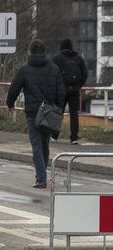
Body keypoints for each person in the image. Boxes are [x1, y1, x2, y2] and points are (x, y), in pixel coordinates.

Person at [6, 39, 64, 189]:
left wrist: (10, 103)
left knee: (36, 145)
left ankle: (41, 178)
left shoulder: (25, 69)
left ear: (30, 51)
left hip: (33, 112)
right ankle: (42, 174)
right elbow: (61, 92)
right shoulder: (54, 69)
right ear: (43, 51)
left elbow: (14, 88)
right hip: (50, 112)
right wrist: (58, 110)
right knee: (45, 144)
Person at [53, 38, 88, 144]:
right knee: (74, 114)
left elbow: (52, 74)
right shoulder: (78, 59)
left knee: (58, 113)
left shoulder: (57, 59)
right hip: (75, 91)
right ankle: (73, 138)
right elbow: (85, 74)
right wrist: (78, 86)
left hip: (61, 91)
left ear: (61, 48)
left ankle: (54, 135)